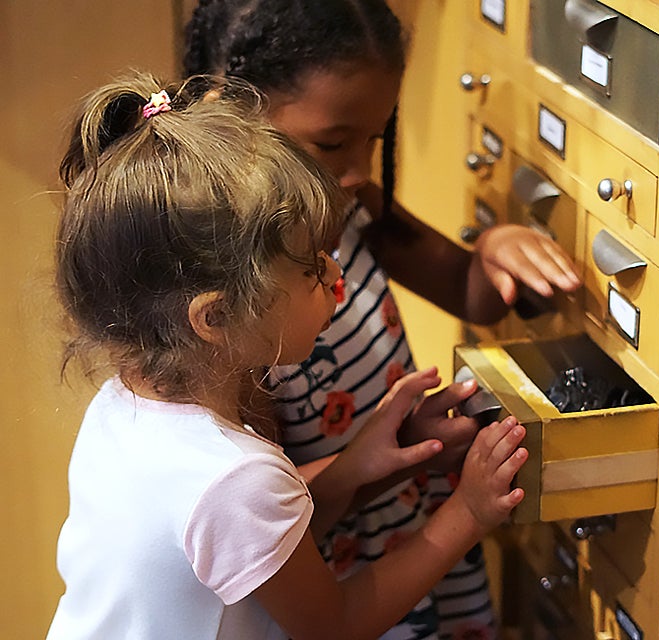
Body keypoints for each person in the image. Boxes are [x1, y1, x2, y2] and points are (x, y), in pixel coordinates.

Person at [46, 72, 528, 640]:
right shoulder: (234, 478)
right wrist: (468, 512)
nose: (337, 274)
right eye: (311, 268)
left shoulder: (122, 404)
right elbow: (337, 624)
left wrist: (364, 467)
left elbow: (257, 553)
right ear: (218, 317)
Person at [184, 2, 581, 637]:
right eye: (333, 142)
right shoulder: (238, 302)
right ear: (235, 115)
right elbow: (274, 508)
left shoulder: (353, 203)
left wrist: (499, 245)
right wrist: (397, 476)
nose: (360, 170)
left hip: (409, 516)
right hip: (336, 571)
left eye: (377, 137)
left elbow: (469, 291)